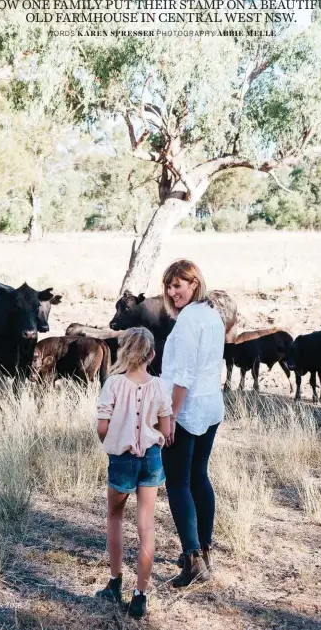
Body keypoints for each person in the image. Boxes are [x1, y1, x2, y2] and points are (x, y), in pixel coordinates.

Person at [95, 326, 172, 619]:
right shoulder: (160, 386)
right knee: (146, 525)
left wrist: (113, 442)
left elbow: (103, 428)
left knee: (115, 517)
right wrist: (156, 438)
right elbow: (165, 429)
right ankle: (140, 596)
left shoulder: (113, 384)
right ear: (152, 354)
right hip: (151, 459)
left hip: (121, 459)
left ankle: (114, 583)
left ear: (123, 352)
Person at [160, 258, 225, 587]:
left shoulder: (188, 320)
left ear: (194, 284)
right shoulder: (213, 314)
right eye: (169, 287)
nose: (172, 293)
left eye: (178, 285)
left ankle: (192, 558)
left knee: (177, 482)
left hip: (186, 410)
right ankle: (205, 552)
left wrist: (170, 415)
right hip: (211, 405)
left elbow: (182, 375)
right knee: (199, 476)